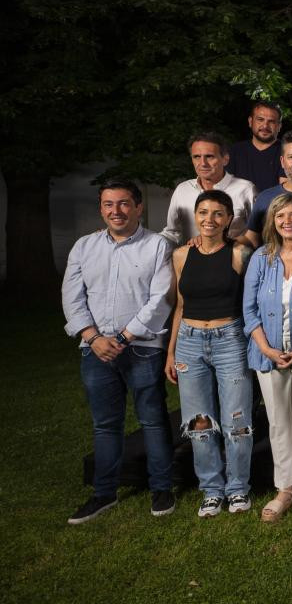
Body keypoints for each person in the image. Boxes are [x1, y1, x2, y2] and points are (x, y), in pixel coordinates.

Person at [62, 179, 175, 523]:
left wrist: (125, 337)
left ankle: (162, 488)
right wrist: (92, 336)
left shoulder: (158, 246)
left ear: (139, 207)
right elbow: (72, 295)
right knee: (105, 424)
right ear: (101, 208)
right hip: (96, 350)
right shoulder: (84, 246)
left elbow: (161, 298)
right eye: (109, 204)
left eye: (124, 203)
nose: (117, 211)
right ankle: (104, 493)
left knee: (153, 420)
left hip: (141, 348)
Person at [165, 189, 253, 518]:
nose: (209, 220)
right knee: (200, 422)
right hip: (189, 338)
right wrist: (171, 352)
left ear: (229, 219)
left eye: (218, 213)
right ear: (194, 216)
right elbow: (180, 306)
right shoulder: (181, 256)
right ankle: (212, 490)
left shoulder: (240, 252)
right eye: (203, 212)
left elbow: (250, 298)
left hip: (229, 337)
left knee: (237, 421)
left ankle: (238, 488)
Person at [242, 193, 292, 522]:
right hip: (268, 354)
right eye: (280, 216)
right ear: (272, 223)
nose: (287, 221)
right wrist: (266, 348)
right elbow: (248, 310)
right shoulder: (262, 257)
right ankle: (285, 488)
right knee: (278, 421)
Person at [161, 132, 255, 246]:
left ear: (225, 159)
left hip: (233, 259)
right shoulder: (182, 190)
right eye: (196, 157)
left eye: (209, 156)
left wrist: (222, 243)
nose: (203, 163)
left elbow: (258, 234)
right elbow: (172, 233)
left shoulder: (246, 189)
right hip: (191, 260)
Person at [228, 101, 285, 192]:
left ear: (279, 126)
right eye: (260, 119)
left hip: (274, 205)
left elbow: (286, 192)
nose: (265, 126)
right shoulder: (234, 151)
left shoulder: (288, 152)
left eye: (271, 121)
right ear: (250, 122)